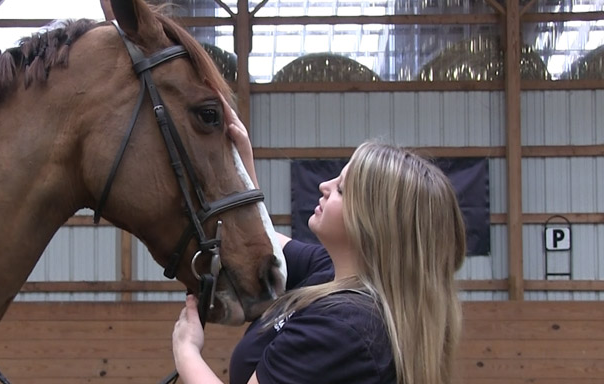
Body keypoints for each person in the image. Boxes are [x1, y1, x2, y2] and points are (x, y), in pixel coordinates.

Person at [171, 94, 466, 384]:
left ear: (374, 223)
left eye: (342, 190)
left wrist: (187, 352)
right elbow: (259, 238)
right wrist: (241, 161)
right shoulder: (330, 272)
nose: (324, 186)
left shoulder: (344, 327)